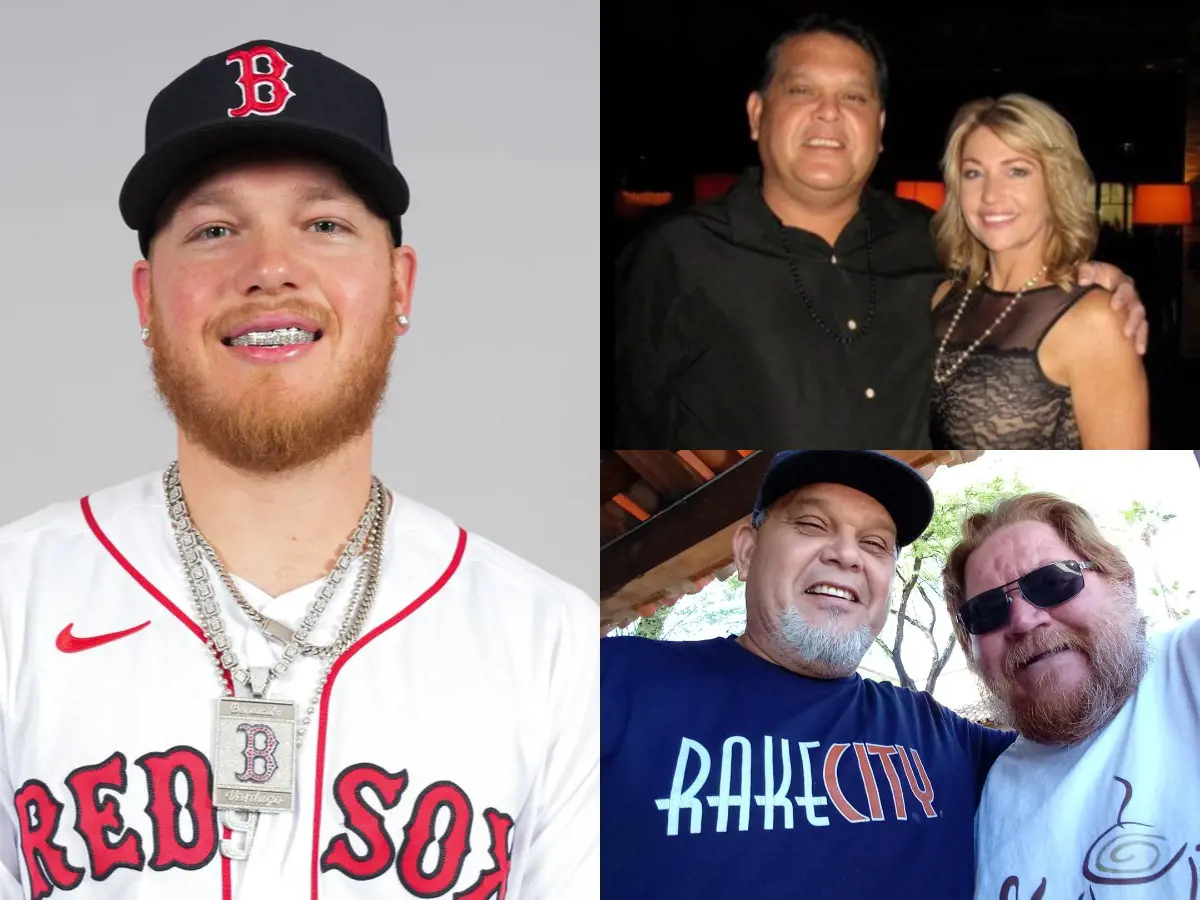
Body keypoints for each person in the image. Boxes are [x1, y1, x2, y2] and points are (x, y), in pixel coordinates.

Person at [0, 40, 598, 899]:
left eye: (324, 225)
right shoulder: (14, 608)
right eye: (214, 230)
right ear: (146, 300)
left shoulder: (551, 646)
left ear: (400, 288)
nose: (270, 269)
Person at [612, 15, 1147, 448]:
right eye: (802, 90)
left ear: (880, 127)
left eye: (853, 97)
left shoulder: (928, 240)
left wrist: (1101, 277)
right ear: (757, 114)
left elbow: (1020, 278)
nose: (828, 113)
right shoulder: (674, 256)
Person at [601, 450, 1017, 899]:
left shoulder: (949, 739)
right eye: (812, 525)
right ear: (747, 551)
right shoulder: (609, 681)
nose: (846, 555)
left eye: (876, 544)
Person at [941, 492, 1198, 899]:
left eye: (1052, 581)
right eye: (987, 610)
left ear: (1121, 581)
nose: (1023, 620)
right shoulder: (985, 796)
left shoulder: (1188, 666)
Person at [930, 96, 1150, 449]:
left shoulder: (1095, 322)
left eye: (1017, 170)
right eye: (974, 173)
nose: (990, 194)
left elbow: (1125, 480)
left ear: (1055, 185)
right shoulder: (941, 298)